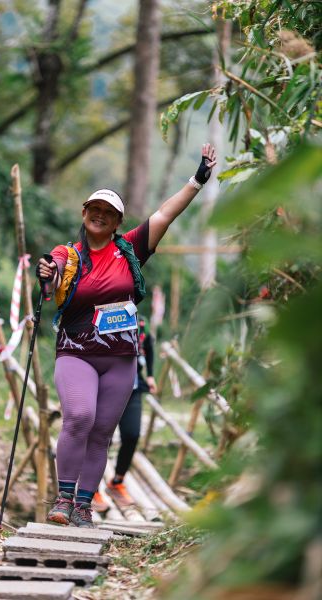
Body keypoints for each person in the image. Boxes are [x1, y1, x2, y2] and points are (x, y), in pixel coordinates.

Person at [37, 143, 216, 528]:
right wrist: (47, 273)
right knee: (79, 417)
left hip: (121, 358)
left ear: (118, 221)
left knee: (102, 432)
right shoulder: (69, 253)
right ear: (84, 213)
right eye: (95, 209)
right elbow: (53, 272)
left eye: (108, 212)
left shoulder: (131, 248)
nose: (100, 215)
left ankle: (84, 506)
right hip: (76, 352)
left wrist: (197, 180)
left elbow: (165, 213)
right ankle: (63, 499)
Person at [92, 315, 157, 512]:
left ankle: (117, 482)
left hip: (132, 387)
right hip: (105, 387)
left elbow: (149, 346)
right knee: (102, 438)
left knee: (132, 434)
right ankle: (91, 490)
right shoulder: (102, 316)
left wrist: (150, 375)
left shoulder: (139, 322)